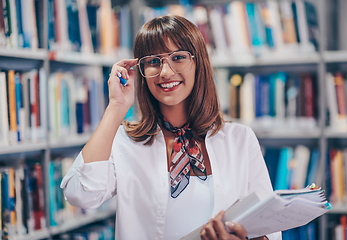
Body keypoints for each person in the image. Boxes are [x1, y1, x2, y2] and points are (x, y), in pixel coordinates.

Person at [60, 15, 282, 240]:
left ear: (198, 63)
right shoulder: (125, 141)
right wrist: (116, 106)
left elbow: (269, 229)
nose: (165, 72)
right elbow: (80, 194)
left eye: (178, 57)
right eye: (153, 61)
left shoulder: (240, 139)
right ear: (142, 70)